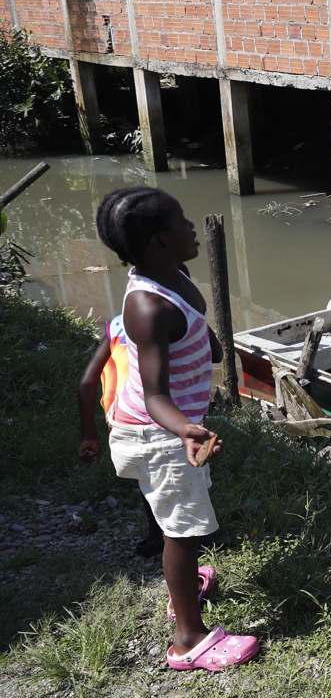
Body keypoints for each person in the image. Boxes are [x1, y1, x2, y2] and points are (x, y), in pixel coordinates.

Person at [94, 186, 259, 672]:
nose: (192, 227)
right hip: (158, 432)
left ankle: (183, 585)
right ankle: (188, 639)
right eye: (181, 221)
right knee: (181, 532)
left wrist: (205, 341)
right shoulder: (148, 307)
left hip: (170, 430)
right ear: (157, 242)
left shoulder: (175, 275)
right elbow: (154, 394)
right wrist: (186, 430)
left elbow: (196, 330)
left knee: (179, 526)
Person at [76, 313, 165, 558]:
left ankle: (156, 535)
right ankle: (178, 538)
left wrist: (88, 435)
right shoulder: (175, 319)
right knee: (171, 475)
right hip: (160, 417)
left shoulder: (118, 323)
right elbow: (215, 354)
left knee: (145, 476)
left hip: (120, 417)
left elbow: (87, 382)